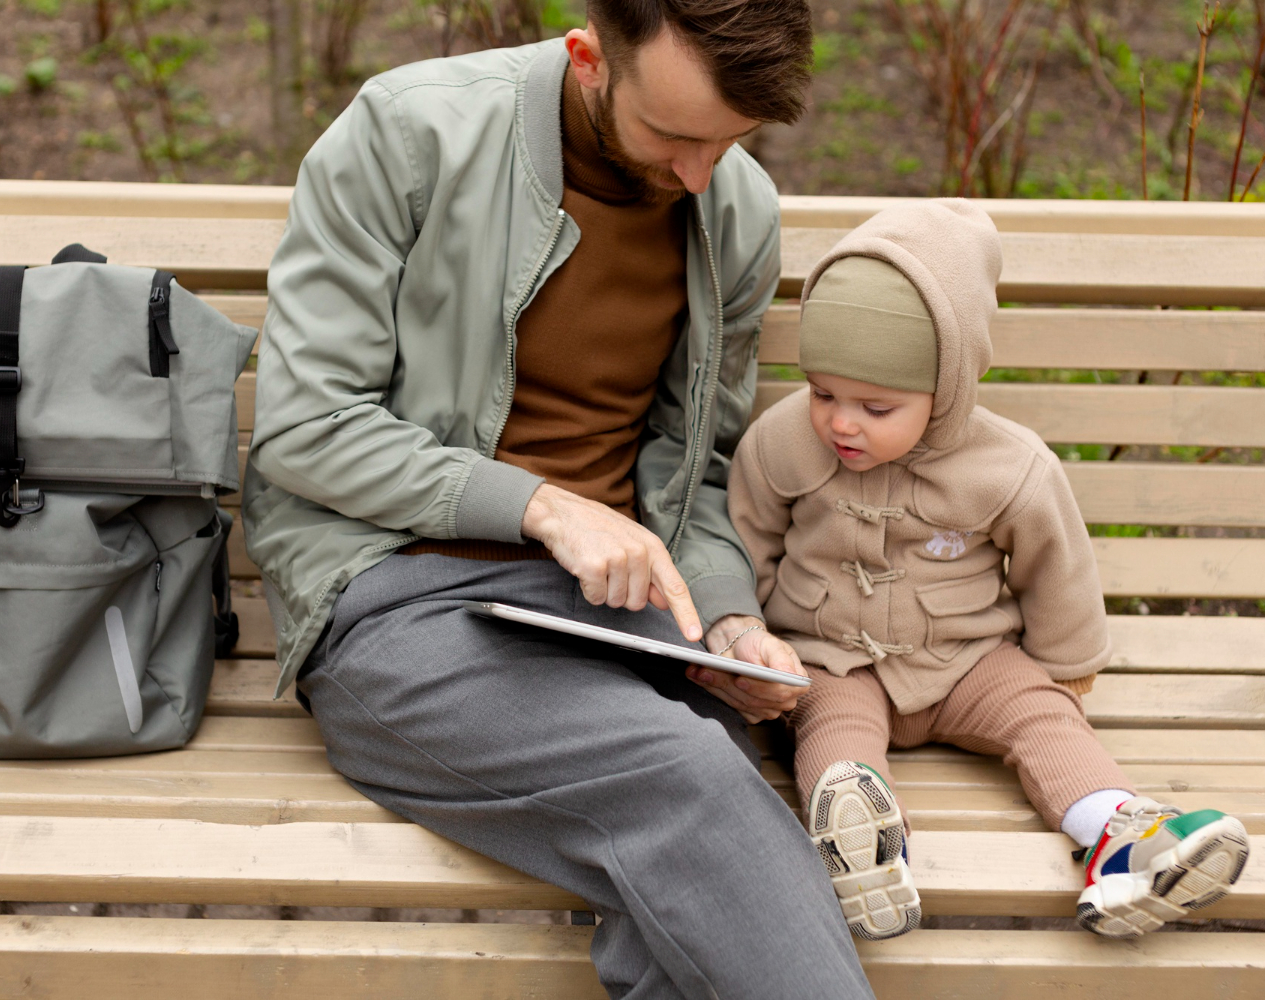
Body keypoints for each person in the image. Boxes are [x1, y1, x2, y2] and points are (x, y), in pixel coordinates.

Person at [243, 1, 874, 996]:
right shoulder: (411, 133)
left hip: (621, 618)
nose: (699, 176)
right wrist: (542, 506)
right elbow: (307, 426)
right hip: (400, 602)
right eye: (672, 137)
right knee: (698, 784)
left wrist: (729, 618)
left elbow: (696, 467)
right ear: (589, 59)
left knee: (687, 888)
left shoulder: (736, 210)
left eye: (728, 142)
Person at [728, 199, 1251, 942]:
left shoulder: (1008, 467)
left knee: (1042, 716)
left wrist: (1065, 667)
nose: (842, 422)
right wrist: (746, 642)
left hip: (967, 659)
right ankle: (864, 846)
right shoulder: (780, 443)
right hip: (832, 657)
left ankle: (1124, 839)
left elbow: (1056, 566)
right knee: (832, 729)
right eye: (823, 393)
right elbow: (746, 539)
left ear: (947, 389)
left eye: (876, 406)